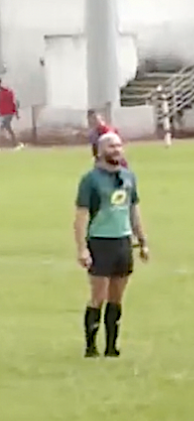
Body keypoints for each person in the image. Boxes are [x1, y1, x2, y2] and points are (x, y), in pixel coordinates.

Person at [74, 133, 149, 358]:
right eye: (112, 146)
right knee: (99, 295)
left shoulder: (128, 177)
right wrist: (82, 248)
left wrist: (142, 241)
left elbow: (133, 210)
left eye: (119, 145)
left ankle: (111, 346)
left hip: (123, 241)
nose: (117, 150)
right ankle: (90, 346)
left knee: (117, 297)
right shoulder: (91, 180)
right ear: (100, 151)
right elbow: (81, 216)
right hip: (100, 241)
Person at [0, 78, 21, 149]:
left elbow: (13, 103)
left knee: (2, 126)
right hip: (2, 113)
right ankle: (15, 143)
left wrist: (16, 113)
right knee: (8, 128)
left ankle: (14, 143)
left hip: (8, 113)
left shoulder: (7, 92)